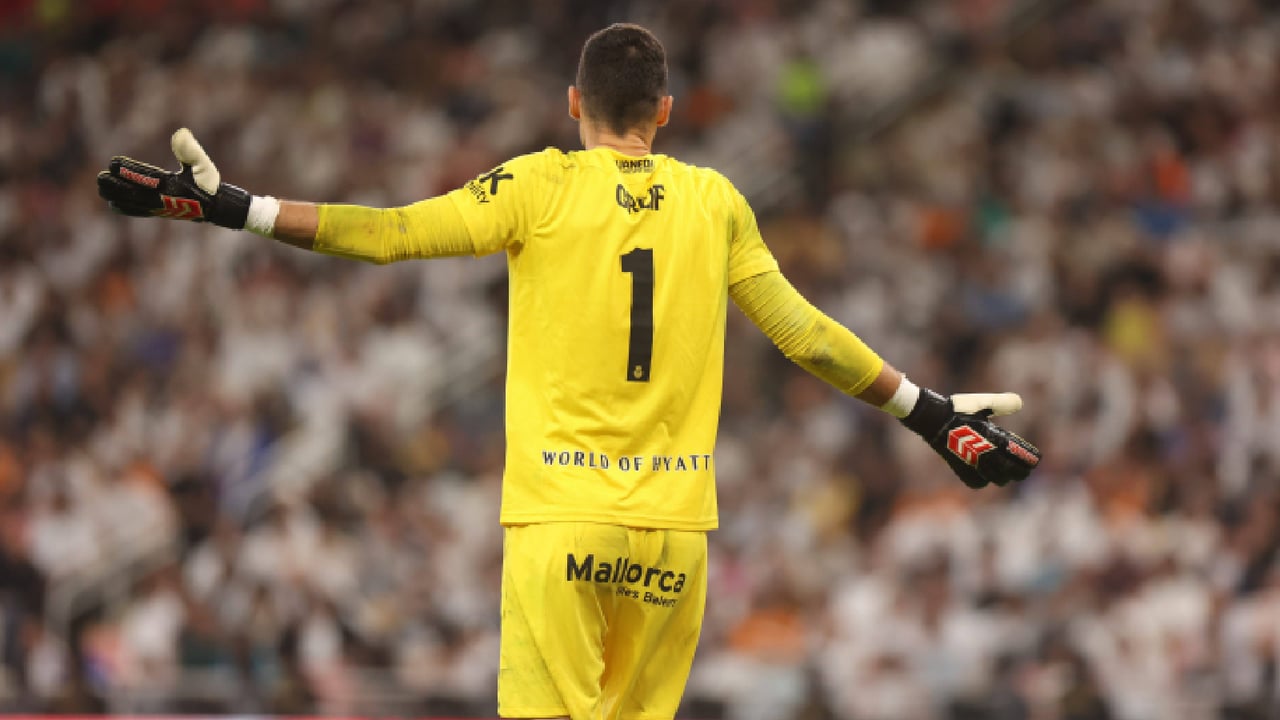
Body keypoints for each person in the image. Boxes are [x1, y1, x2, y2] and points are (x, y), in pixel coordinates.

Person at [96, 23, 1040, 720]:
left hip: (561, 525)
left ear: (574, 104)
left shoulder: (539, 185)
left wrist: (239, 209)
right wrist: (927, 412)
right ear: (664, 112)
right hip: (675, 542)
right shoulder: (715, 202)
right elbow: (806, 336)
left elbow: (389, 234)